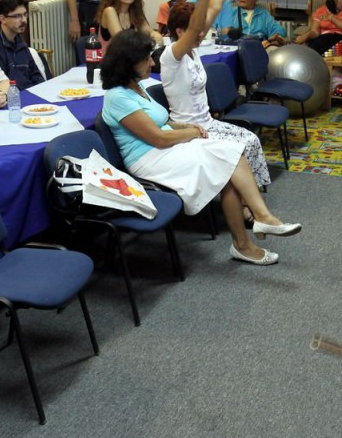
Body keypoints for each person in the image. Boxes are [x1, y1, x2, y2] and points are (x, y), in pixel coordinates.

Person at [101, 28, 301, 265]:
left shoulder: (136, 85)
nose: (152, 63)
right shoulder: (117, 97)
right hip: (149, 158)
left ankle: (258, 223)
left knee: (231, 154)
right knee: (226, 162)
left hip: (164, 148)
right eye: (146, 59)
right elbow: (158, 138)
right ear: (127, 63)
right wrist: (191, 132)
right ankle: (248, 238)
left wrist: (184, 125)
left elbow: (160, 121)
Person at [162, 0, 271, 189]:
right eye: (195, 30)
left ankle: (246, 198)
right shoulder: (172, 55)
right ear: (180, 32)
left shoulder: (193, 50)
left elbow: (215, 6)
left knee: (251, 140)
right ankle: (245, 202)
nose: (202, 33)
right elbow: (197, 25)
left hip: (208, 123)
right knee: (238, 148)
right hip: (190, 130)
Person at [0, 0, 47, 90]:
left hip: (29, 93)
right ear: (3, 19)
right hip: (12, 96)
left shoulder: (18, 39)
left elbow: (36, 75)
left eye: (25, 14)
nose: (24, 20)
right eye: (17, 16)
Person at [96, 0, 164, 48]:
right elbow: (122, 41)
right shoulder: (109, 11)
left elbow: (153, 33)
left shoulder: (135, 13)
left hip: (131, 54)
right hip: (111, 55)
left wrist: (156, 38)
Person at [211, 0, 285, 46]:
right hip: (235, 47)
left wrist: (275, 37)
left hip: (258, 47)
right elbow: (218, 29)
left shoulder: (263, 14)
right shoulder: (232, 12)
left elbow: (278, 29)